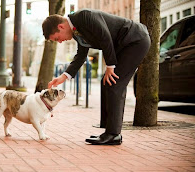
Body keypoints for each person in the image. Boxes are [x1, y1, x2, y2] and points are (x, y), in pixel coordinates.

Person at [42, 9, 151, 145]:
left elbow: (105, 36)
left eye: (57, 38)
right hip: (123, 45)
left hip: (135, 40)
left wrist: (110, 66)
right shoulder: (76, 31)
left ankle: (113, 134)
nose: (60, 42)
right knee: (106, 82)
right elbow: (81, 56)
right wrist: (64, 77)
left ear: (61, 27)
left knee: (114, 83)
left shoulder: (84, 17)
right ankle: (108, 131)